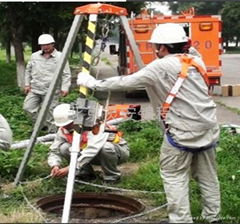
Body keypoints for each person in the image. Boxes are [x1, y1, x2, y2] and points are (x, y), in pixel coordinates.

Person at [77, 23, 221, 223]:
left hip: (182, 133)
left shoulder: (160, 66)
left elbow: (125, 82)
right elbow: (190, 50)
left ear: (162, 47)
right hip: (208, 130)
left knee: (174, 176)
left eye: (157, 46)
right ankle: (213, 217)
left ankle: (181, 221)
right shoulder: (197, 61)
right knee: (208, 177)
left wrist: (91, 82)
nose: (155, 50)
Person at [48, 103, 129, 183]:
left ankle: (112, 177)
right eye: (64, 125)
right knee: (64, 147)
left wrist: (71, 168)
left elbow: (92, 149)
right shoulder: (63, 130)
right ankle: (85, 173)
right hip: (90, 155)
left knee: (105, 147)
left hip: (117, 152)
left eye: (69, 124)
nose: (66, 127)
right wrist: (55, 165)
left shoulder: (95, 125)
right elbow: (55, 149)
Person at [23, 34, 71, 133]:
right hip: (35, 89)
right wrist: (27, 84)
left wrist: (65, 87)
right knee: (28, 107)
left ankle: (52, 135)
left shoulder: (60, 56)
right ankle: (41, 124)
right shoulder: (34, 56)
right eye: (42, 45)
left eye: (47, 45)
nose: (45, 47)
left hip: (52, 90)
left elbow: (66, 74)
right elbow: (28, 70)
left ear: (53, 44)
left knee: (51, 113)